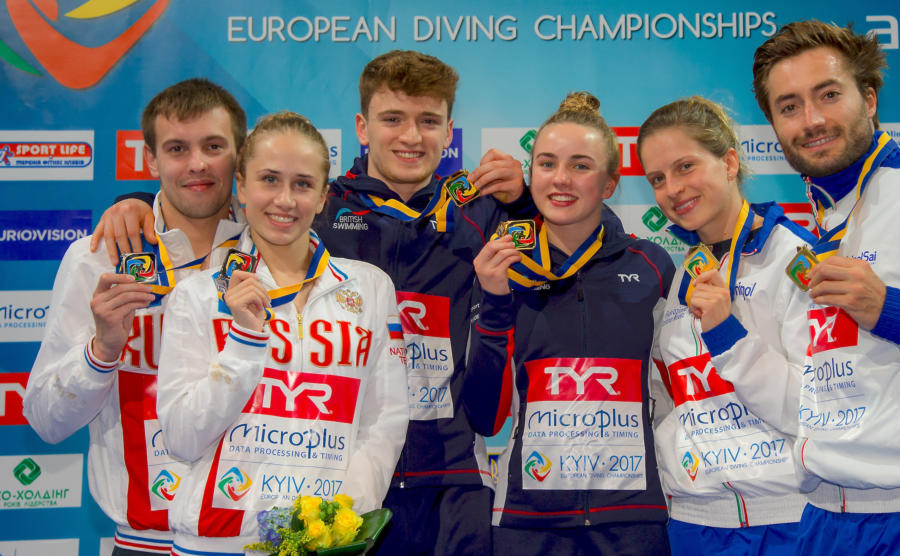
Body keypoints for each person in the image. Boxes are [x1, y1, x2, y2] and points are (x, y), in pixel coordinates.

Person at [91, 50, 530, 555]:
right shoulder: (319, 206)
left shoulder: (477, 214)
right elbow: (225, 201)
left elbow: (571, 237)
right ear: (362, 128)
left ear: (449, 131)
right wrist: (135, 204)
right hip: (334, 485)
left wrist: (521, 203)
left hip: (449, 479)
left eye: (428, 122)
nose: (411, 136)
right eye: (393, 119)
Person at [704, 20, 900, 554]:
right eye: (789, 107)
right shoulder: (818, 226)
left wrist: (897, 311)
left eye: (828, 95)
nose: (812, 120)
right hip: (826, 518)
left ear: (869, 99)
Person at [156, 111, 409, 555]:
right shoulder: (196, 294)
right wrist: (244, 343)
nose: (285, 200)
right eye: (269, 179)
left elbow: (382, 422)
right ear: (241, 185)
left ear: (324, 196)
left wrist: (339, 520)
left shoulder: (370, 288)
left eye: (302, 184)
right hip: (217, 542)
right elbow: (181, 437)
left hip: (323, 544)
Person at [23, 78, 249, 555]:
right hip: (144, 543)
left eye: (214, 146)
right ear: (150, 160)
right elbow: (46, 420)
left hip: (255, 540)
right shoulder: (96, 259)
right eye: (176, 148)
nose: (197, 164)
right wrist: (101, 349)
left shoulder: (276, 257)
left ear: (241, 153)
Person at [465, 91, 674, 555]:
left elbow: (674, 395)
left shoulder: (652, 266)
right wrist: (496, 305)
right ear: (531, 172)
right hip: (527, 521)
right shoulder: (503, 268)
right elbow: (484, 415)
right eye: (546, 163)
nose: (560, 179)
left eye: (581, 165)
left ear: (610, 183)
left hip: (632, 520)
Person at [638, 96, 819, 555]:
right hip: (695, 526)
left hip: (789, 524)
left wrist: (728, 335)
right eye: (657, 179)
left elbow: (817, 409)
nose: (672, 189)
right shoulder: (684, 273)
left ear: (730, 162)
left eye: (685, 167)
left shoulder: (795, 259)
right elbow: (672, 399)